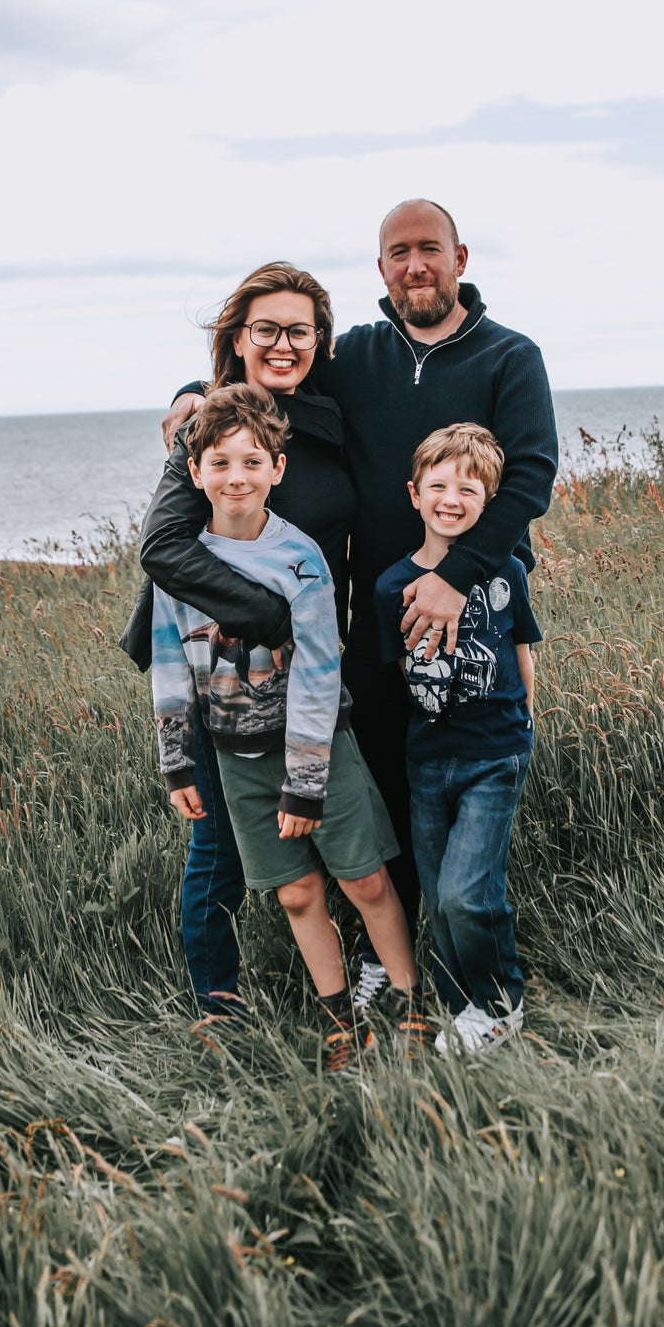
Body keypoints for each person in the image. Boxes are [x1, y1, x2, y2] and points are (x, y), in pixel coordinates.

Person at [156, 199, 558, 1006]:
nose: (416, 265)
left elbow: (531, 478)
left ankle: (460, 964)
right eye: (399, 252)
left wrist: (458, 576)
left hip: (457, 608)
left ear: (460, 257)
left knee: (446, 779)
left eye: (430, 250)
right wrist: (187, 395)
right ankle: (349, 967)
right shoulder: (358, 356)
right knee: (369, 784)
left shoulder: (511, 357)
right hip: (361, 622)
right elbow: (263, 366)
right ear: (381, 269)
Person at [148, 383, 428, 1069]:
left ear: (277, 469)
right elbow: (167, 663)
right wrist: (177, 761)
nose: (235, 476)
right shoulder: (178, 561)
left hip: (318, 749)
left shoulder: (300, 559)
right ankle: (341, 1021)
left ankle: (411, 1001)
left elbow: (317, 674)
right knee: (298, 891)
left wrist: (305, 784)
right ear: (195, 473)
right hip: (237, 756)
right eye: (219, 463)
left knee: (363, 880)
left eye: (251, 462)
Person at [122, 261, 356, 1022]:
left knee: (331, 826)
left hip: (316, 675)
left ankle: (355, 979)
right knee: (219, 850)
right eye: (266, 329)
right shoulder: (209, 423)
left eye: (299, 330)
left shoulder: (329, 414)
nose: (283, 344)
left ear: (321, 339)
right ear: (237, 337)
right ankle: (218, 1009)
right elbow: (162, 548)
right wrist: (274, 620)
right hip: (218, 670)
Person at [374, 424, 539, 1051]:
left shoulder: (506, 574)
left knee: (469, 893)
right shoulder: (393, 585)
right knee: (439, 899)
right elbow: (401, 674)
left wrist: (526, 723)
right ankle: (460, 1003)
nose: (451, 498)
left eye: (468, 488)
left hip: (494, 754)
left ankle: (501, 1002)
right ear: (414, 495)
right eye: (438, 485)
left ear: (489, 501)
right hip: (427, 760)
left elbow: (522, 654)